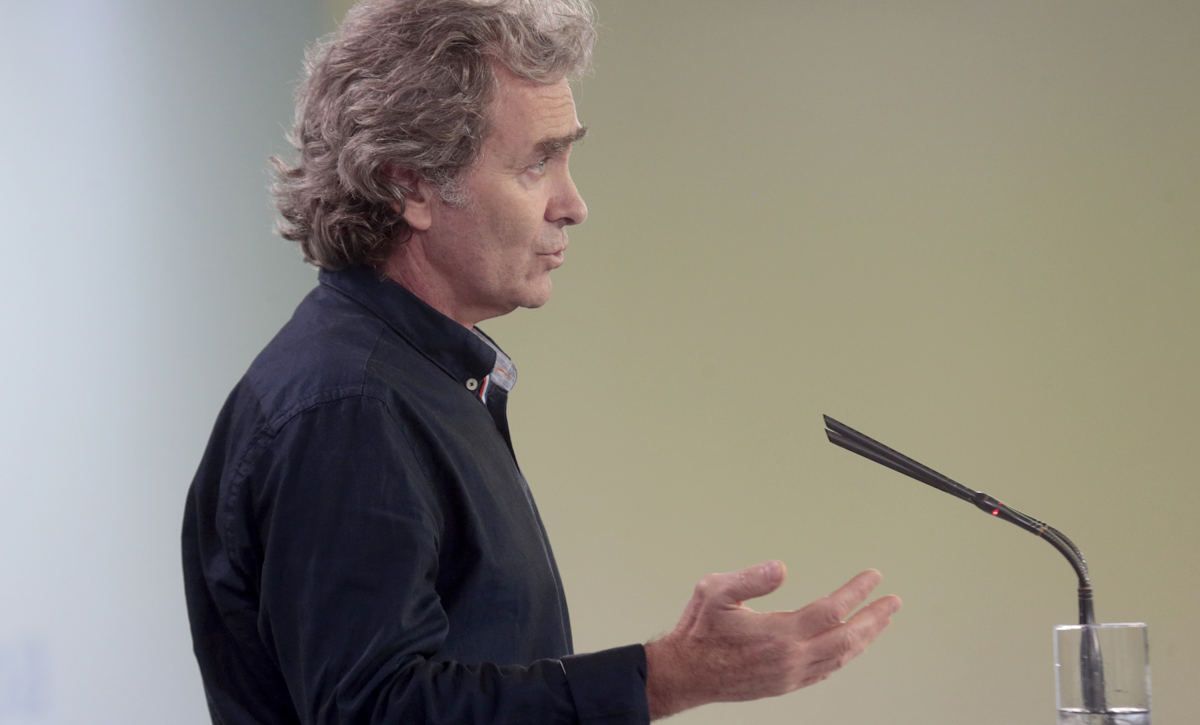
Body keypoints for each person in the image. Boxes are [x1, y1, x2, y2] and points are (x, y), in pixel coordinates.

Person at [181, 0, 902, 722]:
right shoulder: (350, 407)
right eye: (537, 163)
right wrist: (664, 678)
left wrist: (669, 672)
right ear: (411, 185)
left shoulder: (413, 381)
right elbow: (384, 712)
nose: (574, 203)